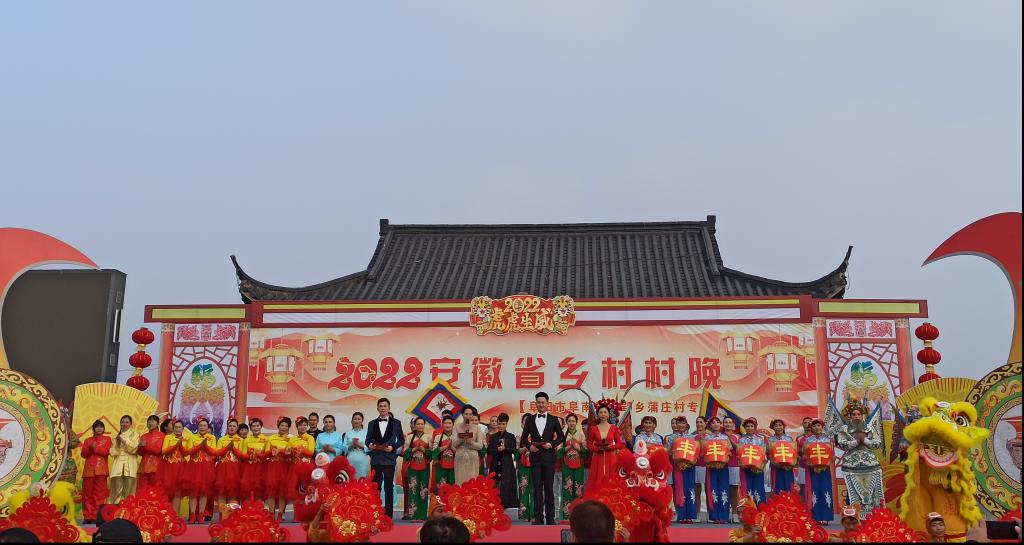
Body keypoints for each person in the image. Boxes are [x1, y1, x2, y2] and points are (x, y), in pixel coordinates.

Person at [522, 392, 566, 526]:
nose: (541, 404)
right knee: (536, 488)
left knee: (549, 488)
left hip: (549, 458)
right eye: (538, 402)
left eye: (543, 402)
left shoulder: (553, 419)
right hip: (535, 458)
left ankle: (550, 517)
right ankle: (538, 517)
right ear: (535, 404)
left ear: (547, 404)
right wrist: (530, 446)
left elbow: (561, 437)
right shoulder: (530, 420)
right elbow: (524, 437)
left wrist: (551, 444)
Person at [837, 402, 883, 518]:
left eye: (858, 414)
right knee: (853, 492)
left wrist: (865, 441)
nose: (856, 416)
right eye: (854, 414)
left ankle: (874, 517)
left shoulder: (870, 428)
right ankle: (854, 517)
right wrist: (856, 442)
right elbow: (842, 444)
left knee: (873, 492)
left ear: (862, 415)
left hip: (871, 464)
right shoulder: (844, 429)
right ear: (850, 416)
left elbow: (877, 443)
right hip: (851, 466)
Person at [366, 398, 405, 519]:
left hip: (389, 459)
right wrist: (370, 445)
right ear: (377, 408)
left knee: (389, 487)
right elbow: (367, 440)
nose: (383, 408)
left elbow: (401, 439)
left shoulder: (396, 423)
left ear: (389, 408)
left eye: (385, 406)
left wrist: (393, 447)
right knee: (375, 487)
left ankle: (388, 515)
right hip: (376, 459)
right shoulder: (371, 423)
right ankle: (375, 514)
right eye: (381, 406)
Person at [585, 402, 625, 496]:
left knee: (611, 479)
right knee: (597, 479)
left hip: (611, 458)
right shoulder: (594, 428)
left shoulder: (614, 428)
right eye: (601, 412)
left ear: (608, 414)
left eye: (605, 412)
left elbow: (622, 444)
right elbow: (588, 444)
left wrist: (611, 447)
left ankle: (611, 501)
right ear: (598, 414)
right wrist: (596, 449)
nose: (603, 414)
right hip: (597, 458)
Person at [702, 416, 734, 524]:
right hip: (711, 467)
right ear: (709, 426)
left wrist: (725, 461)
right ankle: (713, 516)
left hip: (723, 467)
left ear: (720, 425)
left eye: (717, 422)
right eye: (713, 423)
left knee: (724, 489)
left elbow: (729, 452)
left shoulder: (725, 438)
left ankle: (724, 516)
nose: (715, 424)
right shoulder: (706, 438)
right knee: (712, 489)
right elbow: (703, 453)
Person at [185, 417, 217, 524]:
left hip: (206, 467)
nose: (202, 427)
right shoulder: (192, 437)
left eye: (204, 425)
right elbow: (189, 451)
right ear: (197, 427)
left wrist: (205, 446)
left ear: (208, 427)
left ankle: (201, 515)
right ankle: (192, 515)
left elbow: (214, 452)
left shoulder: (212, 438)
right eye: (200, 425)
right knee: (193, 492)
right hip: (194, 467)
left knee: (204, 492)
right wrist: (199, 446)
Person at [803, 419, 834, 524]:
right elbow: (805, 455)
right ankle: (816, 517)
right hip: (813, 470)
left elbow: (831, 455)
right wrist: (810, 463)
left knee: (825, 490)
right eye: (814, 426)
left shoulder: (827, 440)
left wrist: (827, 463)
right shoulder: (808, 440)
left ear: (822, 427)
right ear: (811, 428)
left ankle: (826, 517)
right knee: (815, 491)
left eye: (818, 425)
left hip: (825, 470)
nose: (816, 427)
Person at [81, 419, 112, 523]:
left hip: (101, 471)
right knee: (87, 494)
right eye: (97, 427)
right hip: (88, 471)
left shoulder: (107, 439)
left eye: (101, 427)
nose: (99, 428)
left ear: (104, 429)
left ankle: (96, 516)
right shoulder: (88, 440)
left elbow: (107, 452)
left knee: (99, 494)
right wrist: (90, 449)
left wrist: (95, 448)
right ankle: (87, 517)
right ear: (93, 429)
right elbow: (83, 454)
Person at [557, 413, 586, 520]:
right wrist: (567, 448)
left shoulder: (581, 435)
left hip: (579, 466)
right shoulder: (563, 435)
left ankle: (578, 515)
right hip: (567, 467)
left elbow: (586, 452)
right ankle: (566, 515)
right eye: (569, 421)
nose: (571, 423)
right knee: (567, 490)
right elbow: (558, 452)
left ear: (576, 422)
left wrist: (579, 449)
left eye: (573, 421)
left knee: (578, 489)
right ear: (566, 423)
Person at [488, 412, 519, 510]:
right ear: (497, 424)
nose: (501, 426)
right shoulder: (493, 437)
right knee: (494, 485)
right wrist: (497, 449)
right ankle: (495, 505)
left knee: (507, 486)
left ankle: (507, 505)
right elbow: (489, 450)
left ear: (506, 424)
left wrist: (505, 449)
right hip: (495, 464)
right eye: (500, 424)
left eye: (503, 424)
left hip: (507, 465)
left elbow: (514, 450)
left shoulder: (511, 436)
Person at [670, 416, 698, 523]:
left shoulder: (692, 437)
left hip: (690, 466)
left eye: (683, 423)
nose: (681, 425)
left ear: (686, 425)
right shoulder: (672, 438)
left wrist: (692, 461)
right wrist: (677, 459)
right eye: (679, 423)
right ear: (676, 425)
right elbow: (669, 451)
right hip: (678, 466)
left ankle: (690, 515)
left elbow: (695, 451)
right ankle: (681, 515)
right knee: (679, 489)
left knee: (690, 489)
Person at [265, 417, 293, 520]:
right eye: (282, 425)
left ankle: (281, 514)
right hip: (272, 466)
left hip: (284, 466)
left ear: (288, 427)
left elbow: (290, 453)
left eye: (286, 426)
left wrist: (281, 451)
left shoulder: (291, 439)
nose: (284, 427)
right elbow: (266, 452)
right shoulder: (271, 438)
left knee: (282, 492)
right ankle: (271, 513)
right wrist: (271, 452)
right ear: (278, 426)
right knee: (271, 491)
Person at [404, 417, 432, 521]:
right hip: (412, 468)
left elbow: (431, 454)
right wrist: (414, 449)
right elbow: (405, 452)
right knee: (413, 490)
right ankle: (413, 515)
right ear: (414, 426)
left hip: (425, 468)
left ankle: (422, 515)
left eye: (422, 424)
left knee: (423, 490)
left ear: (424, 425)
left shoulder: (428, 437)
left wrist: (424, 450)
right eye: (418, 424)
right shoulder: (409, 437)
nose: (420, 426)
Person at [108, 414, 140, 504]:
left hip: (131, 464)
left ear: (130, 424)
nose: (124, 424)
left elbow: (134, 449)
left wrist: (123, 440)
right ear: (120, 424)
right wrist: (117, 445)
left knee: (129, 489)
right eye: (122, 422)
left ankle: (128, 507)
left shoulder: (135, 434)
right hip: (118, 464)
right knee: (116, 488)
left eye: (127, 422)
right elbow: (112, 453)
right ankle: (115, 508)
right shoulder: (117, 436)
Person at [214, 418, 244, 510]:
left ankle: (231, 514)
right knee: (221, 492)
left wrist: (233, 448)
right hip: (223, 468)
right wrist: (227, 448)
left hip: (235, 469)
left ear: (237, 428)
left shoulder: (241, 440)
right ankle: (222, 514)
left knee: (233, 492)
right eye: (230, 426)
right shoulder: (222, 439)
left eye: (234, 426)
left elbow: (242, 455)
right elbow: (217, 453)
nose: (232, 428)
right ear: (227, 427)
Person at [161, 420, 189, 514]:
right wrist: (175, 445)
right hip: (169, 467)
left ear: (183, 429)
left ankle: (175, 515)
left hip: (181, 467)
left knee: (178, 492)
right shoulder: (168, 437)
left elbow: (186, 454)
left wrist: (180, 445)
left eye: (179, 427)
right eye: (176, 427)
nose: (177, 429)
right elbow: (164, 451)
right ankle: (166, 514)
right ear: (173, 428)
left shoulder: (186, 439)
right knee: (167, 491)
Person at [738, 418, 768, 506]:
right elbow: (739, 455)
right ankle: (748, 509)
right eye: (747, 426)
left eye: (752, 426)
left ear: (755, 427)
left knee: (759, 489)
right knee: (747, 489)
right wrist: (742, 464)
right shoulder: (741, 440)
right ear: (745, 428)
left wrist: (762, 465)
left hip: (758, 469)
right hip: (746, 469)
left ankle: (760, 510)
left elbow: (764, 454)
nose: (750, 428)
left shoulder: (761, 439)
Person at [452, 405, 484, 484]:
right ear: (462, 414)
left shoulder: (477, 428)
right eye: (466, 414)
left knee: (472, 483)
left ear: (473, 415)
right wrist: (462, 437)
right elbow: (454, 444)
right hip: (460, 458)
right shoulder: (456, 427)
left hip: (473, 458)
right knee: (460, 482)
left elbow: (480, 446)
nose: (468, 416)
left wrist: (471, 442)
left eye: (470, 414)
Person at [288, 416, 316, 504]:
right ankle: (298, 509)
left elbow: (311, 452)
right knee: (296, 489)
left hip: (307, 466)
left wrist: (301, 449)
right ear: (297, 426)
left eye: (304, 425)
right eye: (300, 425)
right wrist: (291, 451)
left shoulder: (310, 438)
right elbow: (288, 452)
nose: (302, 427)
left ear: (307, 426)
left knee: (307, 488)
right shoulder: (292, 439)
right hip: (295, 466)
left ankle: (309, 508)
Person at [240, 418, 268, 504]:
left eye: (257, 426)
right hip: (249, 468)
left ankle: (259, 510)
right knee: (248, 490)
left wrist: (259, 455)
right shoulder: (246, 440)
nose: (256, 428)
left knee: (259, 491)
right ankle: (247, 510)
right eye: (253, 426)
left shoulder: (266, 439)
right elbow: (243, 455)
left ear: (261, 427)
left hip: (261, 468)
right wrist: (250, 455)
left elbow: (267, 454)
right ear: (251, 428)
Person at [768, 419, 797, 495]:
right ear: (773, 428)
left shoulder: (789, 439)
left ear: (783, 427)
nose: (778, 427)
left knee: (789, 487)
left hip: (788, 467)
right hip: (776, 468)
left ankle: (790, 501)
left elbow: (793, 453)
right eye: (776, 426)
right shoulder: (770, 440)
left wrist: (790, 464)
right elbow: (768, 454)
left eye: (780, 425)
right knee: (778, 487)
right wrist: (775, 462)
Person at [138, 415, 165, 490]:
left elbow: (158, 450)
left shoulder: (162, 435)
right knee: (143, 490)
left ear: (157, 424)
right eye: (149, 421)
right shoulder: (144, 436)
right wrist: (140, 447)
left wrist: (146, 445)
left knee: (155, 489)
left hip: (156, 467)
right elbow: (140, 453)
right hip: (144, 467)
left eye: (153, 421)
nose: (150, 423)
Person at [431, 416, 457, 494]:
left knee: (452, 490)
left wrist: (451, 447)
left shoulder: (457, 437)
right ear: (442, 424)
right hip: (440, 467)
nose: (447, 425)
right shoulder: (438, 437)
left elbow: (460, 452)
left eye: (449, 423)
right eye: (445, 423)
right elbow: (434, 451)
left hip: (454, 467)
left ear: (453, 425)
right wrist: (446, 447)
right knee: (441, 489)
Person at [723, 416, 742, 521]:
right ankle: (725, 514)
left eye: (730, 422)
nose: (728, 424)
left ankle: (735, 514)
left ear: (733, 425)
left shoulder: (737, 437)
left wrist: (729, 439)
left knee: (734, 491)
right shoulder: (719, 436)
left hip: (734, 465)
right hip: (722, 466)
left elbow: (739, 449)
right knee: (724, 490)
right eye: (726, 422)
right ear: (723, 424)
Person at [517, 413, 534, 522]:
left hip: (535, 465)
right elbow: (515, 452)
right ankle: (524, 514)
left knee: (534, 490)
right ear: (522, 424)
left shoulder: (536, 436)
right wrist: (525, 448)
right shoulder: (519, 437)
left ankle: (533, 514)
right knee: (523, 490)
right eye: (525, 421)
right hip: (523, 466)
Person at [691, 416, 709, 521]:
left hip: (707, 466)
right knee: (697, 491)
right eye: (697, 422)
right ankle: (697, 514)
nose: (699, 424)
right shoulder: (692, 437)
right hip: (696, 465)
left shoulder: (710, 437)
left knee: (708, 490)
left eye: (701, 422)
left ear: (705, 424)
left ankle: (709, 514)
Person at [343, 412, 370, 478]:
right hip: (350, 458)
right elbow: (344, 447)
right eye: (355, 419)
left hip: (362, 458)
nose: (357, 421)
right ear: (352, 421)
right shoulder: (348, 433)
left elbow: (370, 447)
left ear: (362, 421)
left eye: (359, 419)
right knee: (350, 477)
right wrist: (352, 445)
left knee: (362, 478)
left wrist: (359, 445)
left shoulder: (367, 432)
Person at [796, 416, 813, 496]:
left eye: (809, 422)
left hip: (815, 467)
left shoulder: (818, 437)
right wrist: (799, 456)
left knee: (813, 488)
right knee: (803, 489)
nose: (807, 424)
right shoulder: (799, 438)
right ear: (802, 425)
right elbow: (796, 452)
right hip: (803, 467)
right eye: (805, 423)